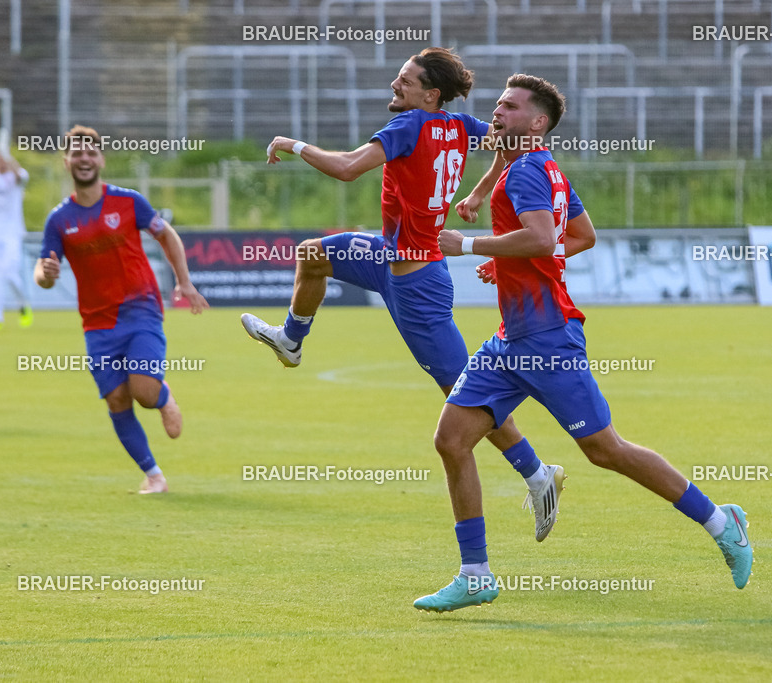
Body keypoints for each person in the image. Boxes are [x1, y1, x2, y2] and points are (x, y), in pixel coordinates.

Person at [414, 74, 753, 612]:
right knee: (452, 440)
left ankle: (721, 521)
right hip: (510, 342)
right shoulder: (543, 167)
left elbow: (547, 238)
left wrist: (472, 246)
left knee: (605, 451)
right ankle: (475, 573)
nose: (497, 113)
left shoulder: (527, 169)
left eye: (510, 107)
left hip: (548, 339)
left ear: (538, 122)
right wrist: (507, 259)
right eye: (497, 105)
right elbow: (582, 237)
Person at [242, 48, 564, 541]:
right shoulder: (459, 126)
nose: (396, 86)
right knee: (312, 256)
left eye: (405, 81)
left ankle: (537, 472)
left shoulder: (409, 126)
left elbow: (349, 167)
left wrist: (295, 144)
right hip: (385, 258)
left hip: (418, 284)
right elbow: (506, 144)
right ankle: (291, 339)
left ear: (429, 95)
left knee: (463, 393)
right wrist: (476, 194)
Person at [35, 126, 209, 494]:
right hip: (97, 324)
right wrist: (46, 274)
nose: (84, 159)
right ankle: (154, 475)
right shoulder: (59, 219)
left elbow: (167, 235)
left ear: (101, 159)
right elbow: (43, 272)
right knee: (116, 398)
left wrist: (184, 281)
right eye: (76, 154)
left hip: (140, 308)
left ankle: (163, 397)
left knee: (144, 392)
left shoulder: (129, 202)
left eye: (90, 153)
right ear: (66, 162)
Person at [0, 145, 33, 331]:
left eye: (3, 156)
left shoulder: (19, 174)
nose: (1, 160)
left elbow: (20, 177)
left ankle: (23, 304)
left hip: (12, 233)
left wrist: (10, 159)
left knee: (10, 273)